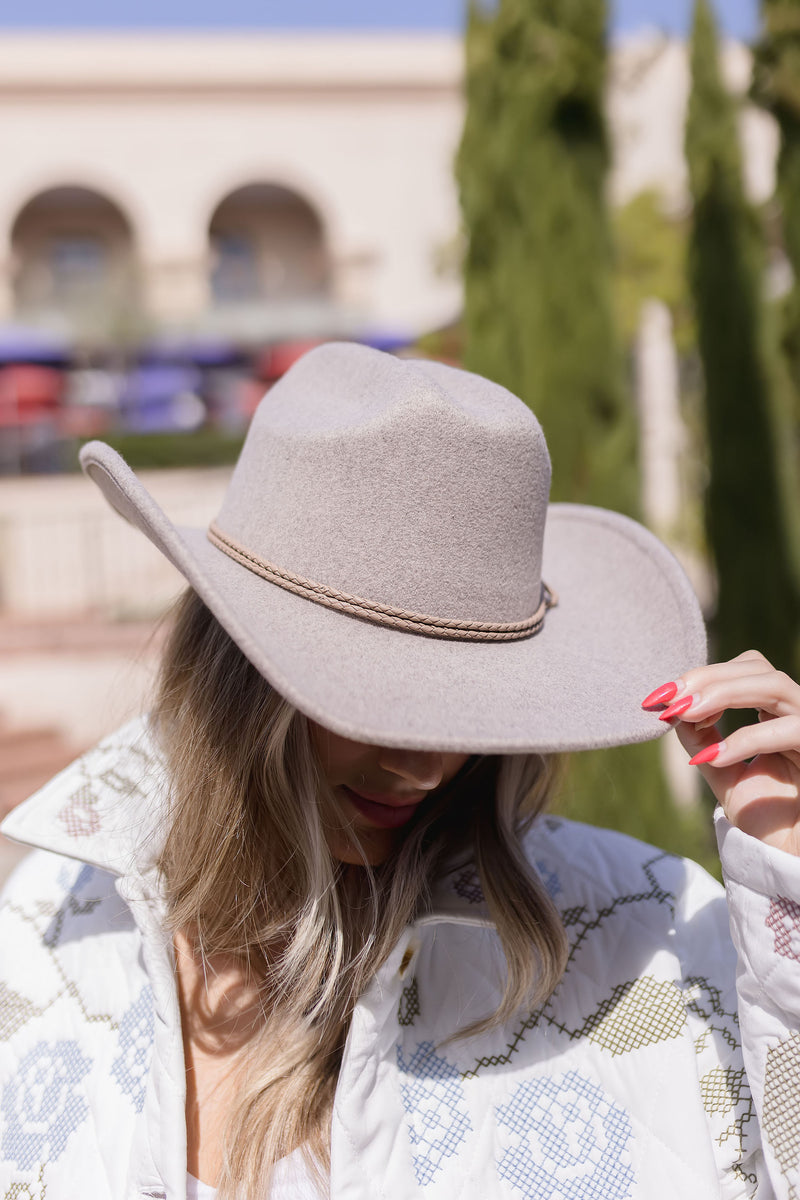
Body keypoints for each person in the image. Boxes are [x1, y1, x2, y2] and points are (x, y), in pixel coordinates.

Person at [0, 341, 798, 1200]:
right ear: (235, 674)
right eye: (370, 698)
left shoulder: (646, 939)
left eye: (470, 707)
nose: (426, 766)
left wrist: (786, 888)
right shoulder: (47, 935)